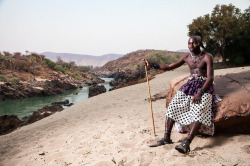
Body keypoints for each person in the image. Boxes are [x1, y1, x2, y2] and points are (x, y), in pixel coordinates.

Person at [144, 32, 216, 154]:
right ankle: (166, 138)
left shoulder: (207, 56)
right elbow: (169, 66)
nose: (191, 45)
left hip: (204, 86)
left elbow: (210, 78)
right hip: (189, 85)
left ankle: (187, 143)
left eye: (194, 42)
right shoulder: (186, 57)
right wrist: (152, 65)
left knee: (198, 109)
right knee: (172, 107)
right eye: (189, 43)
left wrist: (200, 93)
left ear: (199, 43)